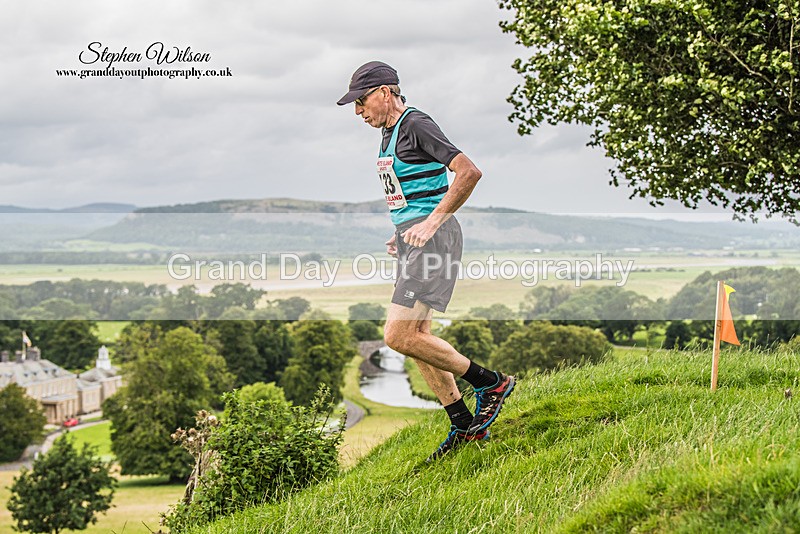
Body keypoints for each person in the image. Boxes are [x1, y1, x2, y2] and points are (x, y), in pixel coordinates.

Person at [337, 61, 516, 462]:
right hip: (413, 240)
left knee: (398, 336)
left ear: (385, 92)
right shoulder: (387, 134)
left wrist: (432, 222)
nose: (357, 112)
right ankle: (464, 426)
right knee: (419, 339)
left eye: (361, 102)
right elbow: (417, 190)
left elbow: (468, 172)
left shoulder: (415, 123)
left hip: (433, 240)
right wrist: (402, 229)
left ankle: (492, 383)